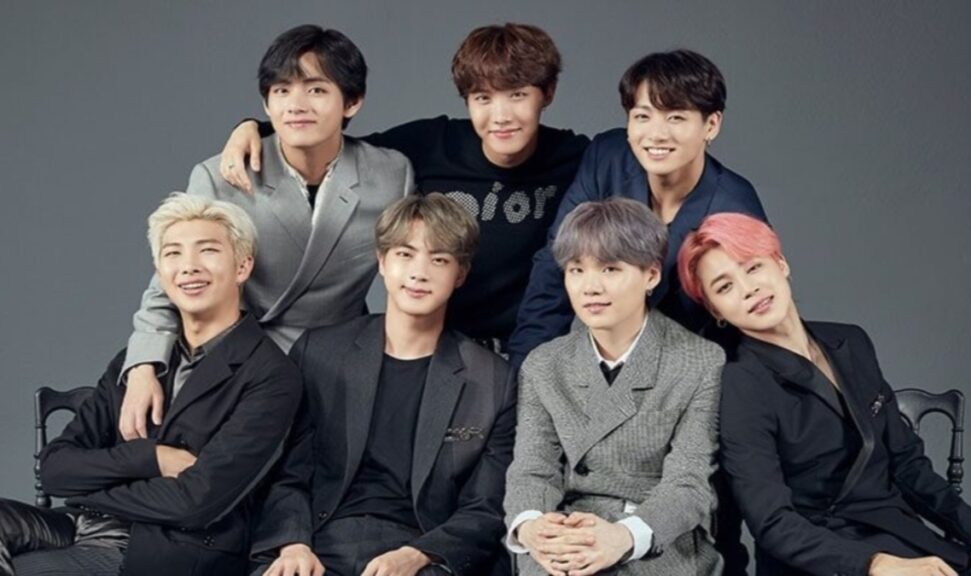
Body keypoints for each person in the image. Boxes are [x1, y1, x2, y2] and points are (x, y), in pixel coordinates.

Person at [678, 212, 971, 576]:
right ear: (716, 310)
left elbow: (908, 464)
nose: (748, 289)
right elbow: (773, 522)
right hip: (822, 560)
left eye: (753, 267)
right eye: (724, 287)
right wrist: (873, 564)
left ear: (781, 264)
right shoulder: (740, 385)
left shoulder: (851, 341)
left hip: (900, 536)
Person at [119, 24, 413, 442]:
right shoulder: (222, 175)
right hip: (244, 367)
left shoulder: (391, 174)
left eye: (316, 90)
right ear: (266, 103)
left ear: (352, 102)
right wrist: (143, 366)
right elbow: (174, 279)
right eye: (281, 91)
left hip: (343, 367)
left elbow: (408, 268)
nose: (296, 105)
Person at [218, 23, 590, 347]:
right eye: (483, 98)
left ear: (548, 93)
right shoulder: (432, 144)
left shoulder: (575, 157)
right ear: (467, 101)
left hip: (526, 345)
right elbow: (335, 148)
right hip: (438, 349)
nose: (501, 116)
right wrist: (253, 127)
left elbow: (623, 156)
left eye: (518, 95)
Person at [0, 194, 302, 575]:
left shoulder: (270, 373)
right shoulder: (139, 362)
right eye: (173, 253)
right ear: (160, 272)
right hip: (80, 525)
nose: (188, 267)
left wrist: (88, 489)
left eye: (208, 250)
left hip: (166, 544)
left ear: (242, 267)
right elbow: (54, 468)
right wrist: (151, 458)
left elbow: (195, 501)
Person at [251, 194, 516, 576]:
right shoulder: (319, 353)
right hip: (317, 540)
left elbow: (484, 506)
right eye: (405, 254)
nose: (419, 273)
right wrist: (293, 543)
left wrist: (418, 555)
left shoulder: (491, 380)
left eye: (439, 259)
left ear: (460, 274)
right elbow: (286, 471)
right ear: (381, 261)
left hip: (422, 551)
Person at [504, 198, 723, 576]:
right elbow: (532, 468)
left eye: (610, 269)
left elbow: (688, 483)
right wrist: (532, 526)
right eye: (576, 270)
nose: (591, 287)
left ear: (651, 275)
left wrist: (624, 537)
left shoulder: (699, 362)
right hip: (567, 532)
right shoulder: (544, 364)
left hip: (655, 537)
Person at [510, 48, 768, 367]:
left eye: (676, 117)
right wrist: (524, 371)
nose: (656, 135)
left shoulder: (734, 205)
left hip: (698, 367)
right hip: (609, 356)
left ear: (711, 125)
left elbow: (753, 317)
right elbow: (556, 263)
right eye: (643, 116)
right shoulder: (608, 158)